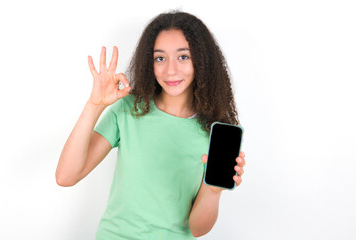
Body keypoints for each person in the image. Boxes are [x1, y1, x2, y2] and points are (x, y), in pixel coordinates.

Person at [56, 10, 246, 239]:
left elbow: (197, 229)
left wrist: (214, 192)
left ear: (202, 61)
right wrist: (94, 105)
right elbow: (66, 177)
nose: (171, 70)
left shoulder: (213, 134)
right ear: (149, 63)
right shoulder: (128, 109)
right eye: (160, 58)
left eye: (183, 56)